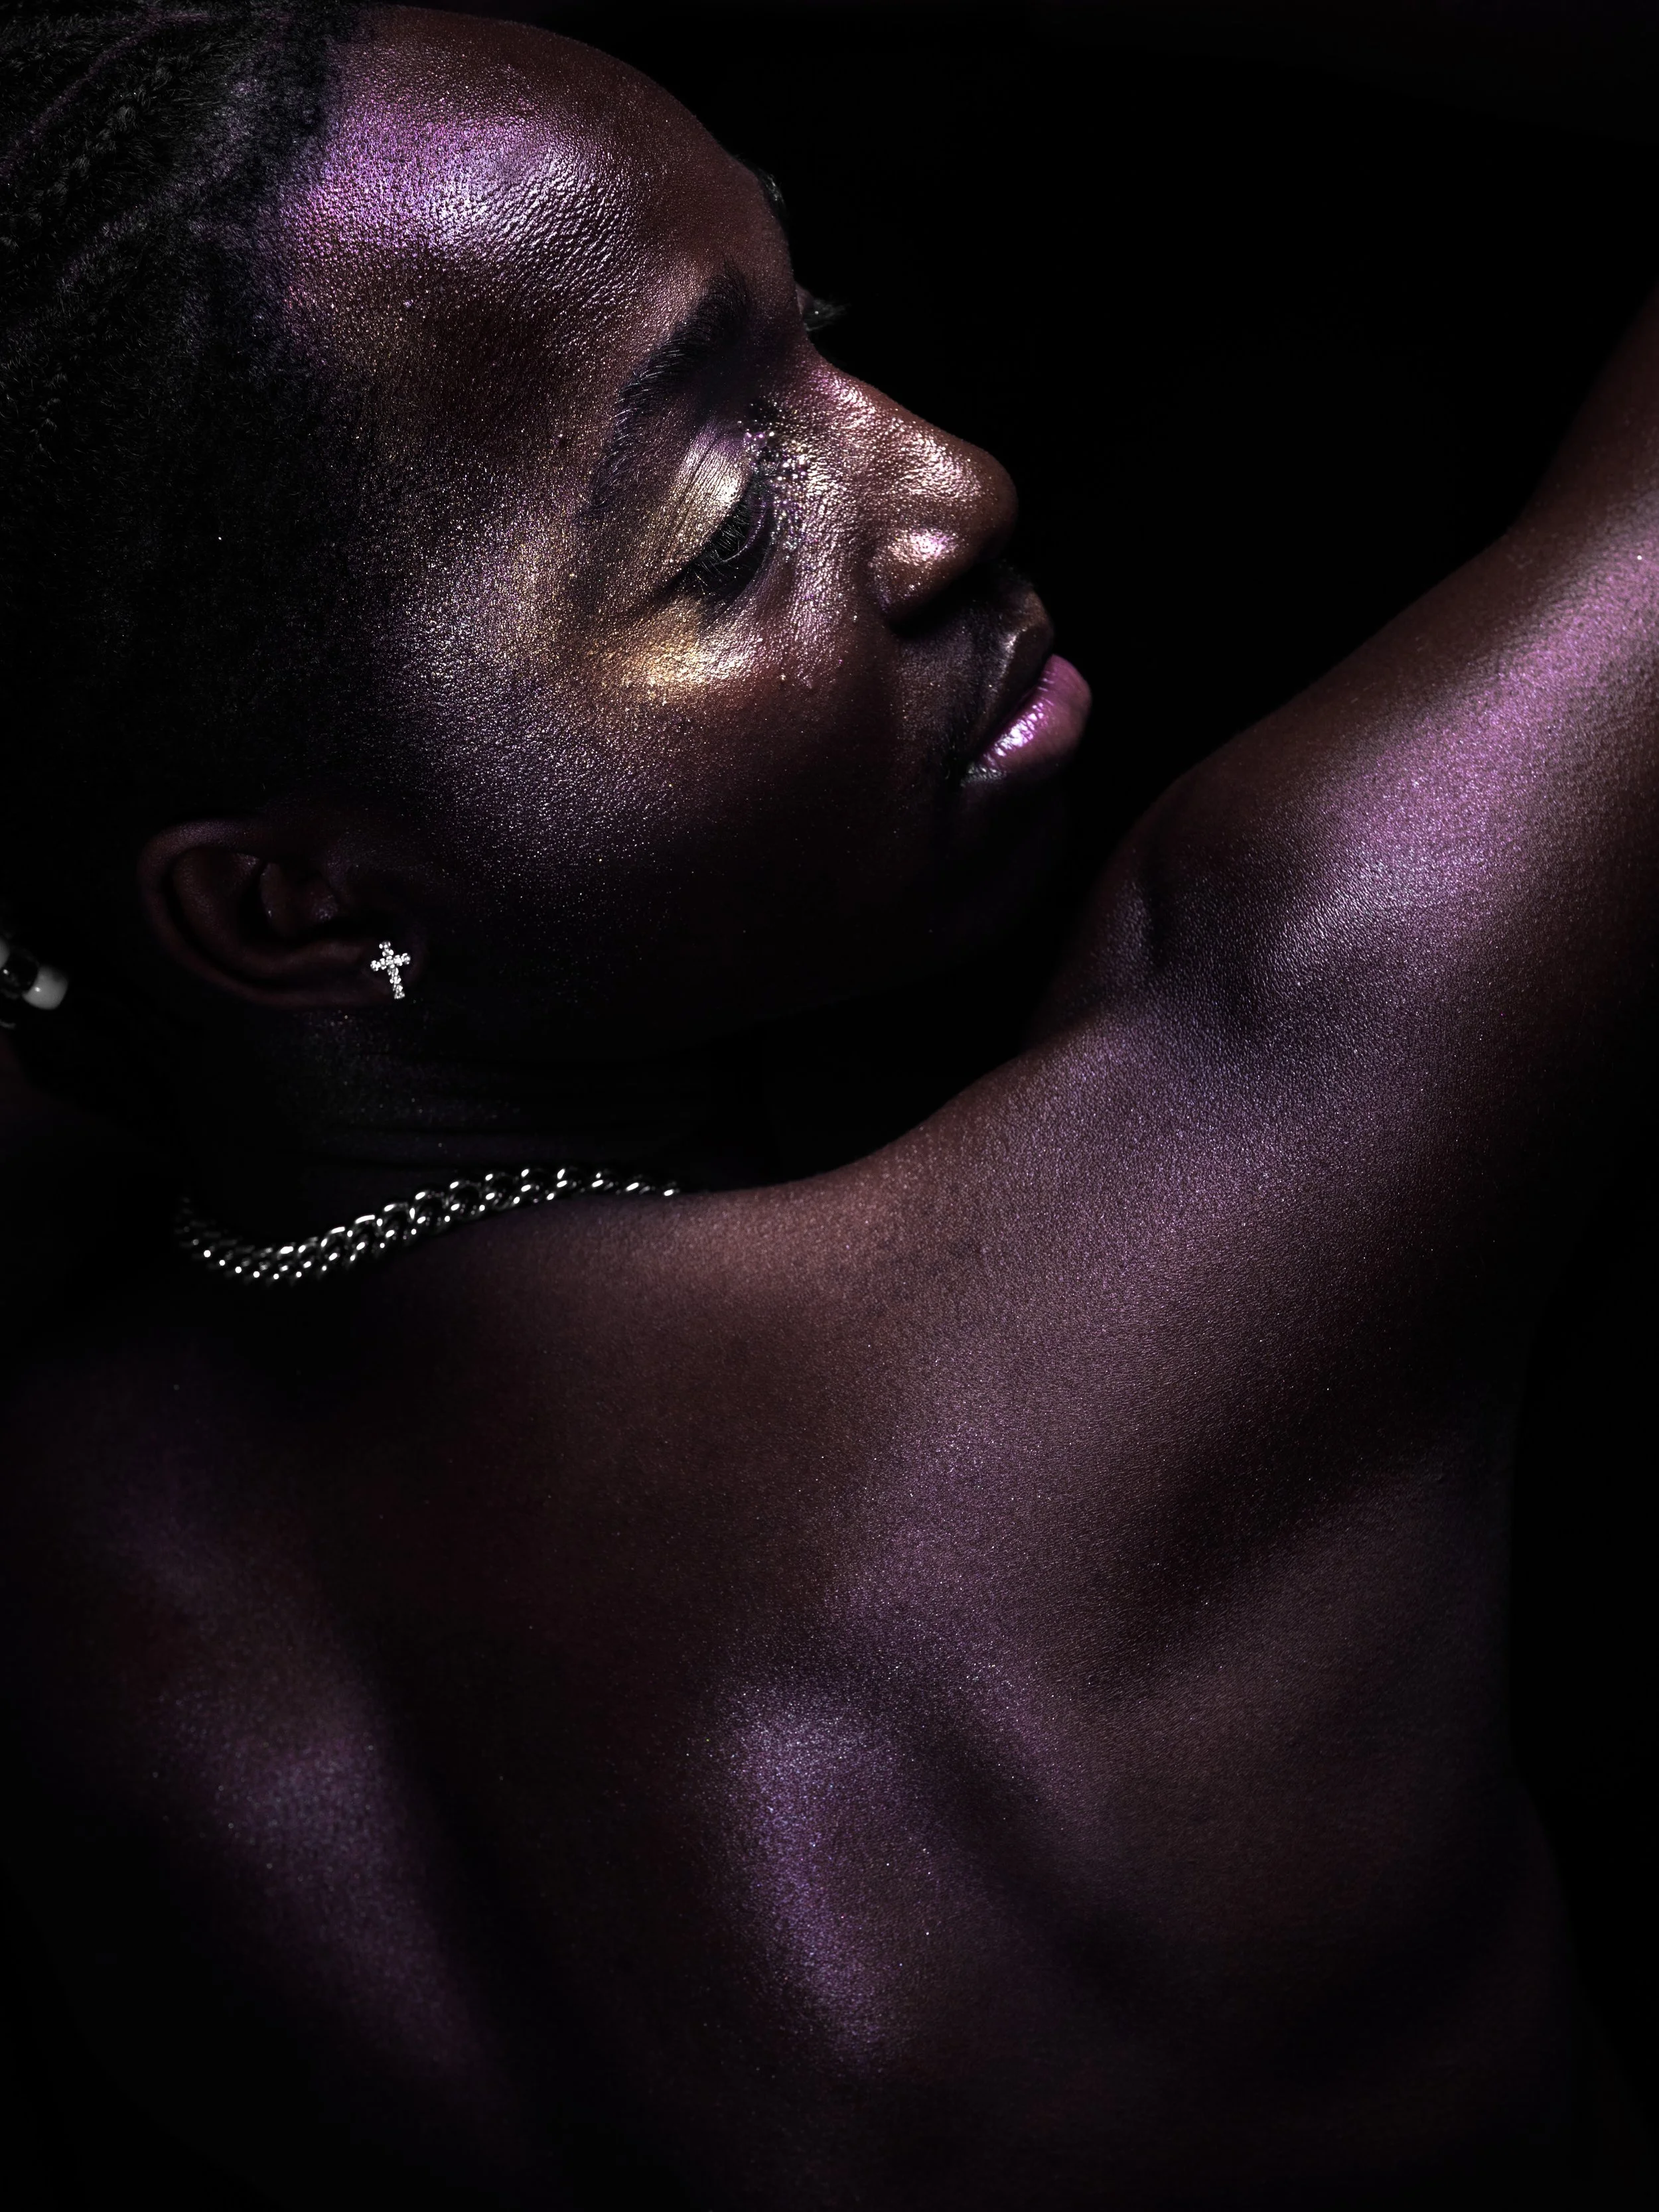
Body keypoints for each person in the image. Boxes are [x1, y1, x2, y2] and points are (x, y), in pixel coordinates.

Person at [0, 2, 1654, 2203]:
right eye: (715, 532)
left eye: (818, 329)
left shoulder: (72, 1559)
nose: (945, 486)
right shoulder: (1163, 1253)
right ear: (289, 906)